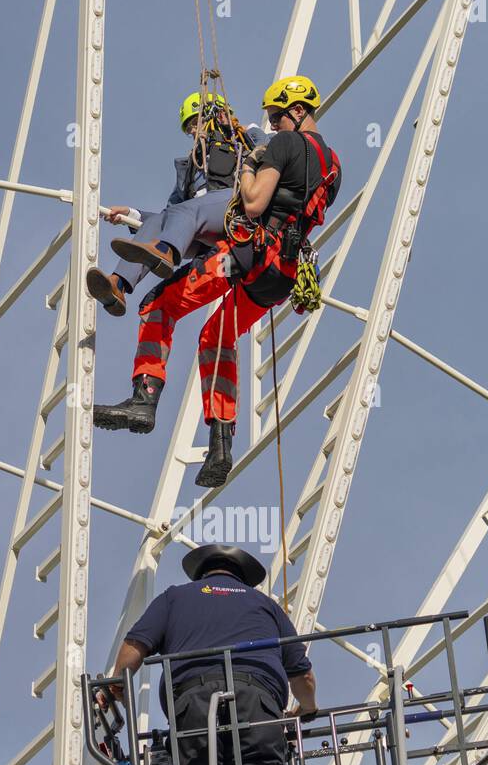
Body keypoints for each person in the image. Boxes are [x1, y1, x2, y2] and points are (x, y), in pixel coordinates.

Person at [93, 75, 341, 489]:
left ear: (297, 112)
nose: (274, 122)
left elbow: (254, 202)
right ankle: (221, 445)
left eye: (278, 116)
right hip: (282, 275)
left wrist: (247, 168)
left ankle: (144, 399)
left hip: (247, 256)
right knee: (217, 337)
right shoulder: (333, 165)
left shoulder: (280, 143)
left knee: (159, 305)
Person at [111, 544, 318, 765]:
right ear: (242, 577)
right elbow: (304, 678)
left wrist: (116, 685)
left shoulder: (175, 598)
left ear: (202, 573)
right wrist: (308, 709)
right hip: (257, 704)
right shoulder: (264, 605)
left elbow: (133, 651)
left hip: (195, 704)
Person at [86, 92, 267, 317]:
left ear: (213, 114)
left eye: (194, 122)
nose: (192, 131)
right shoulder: (191, 166)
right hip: (199, 225)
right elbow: (170, 215)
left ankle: (165, 251)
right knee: (163, 219)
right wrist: (132, 215)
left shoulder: (244, 136)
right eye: (188, 127)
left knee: (183, 211)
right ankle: (117, 285)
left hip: (234, 207)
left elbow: (271, 156)